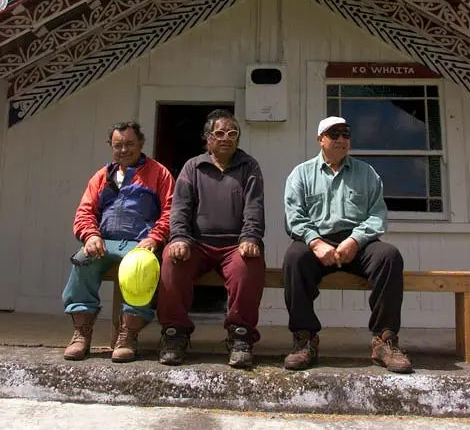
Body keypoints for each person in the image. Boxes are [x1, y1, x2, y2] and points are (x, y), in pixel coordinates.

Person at [282, 116, 412, 373]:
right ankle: (304, 338)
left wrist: (356, 239)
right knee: (294, 258)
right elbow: (294, 218)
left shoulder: (367, 173)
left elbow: (377, 216)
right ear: (321, 139)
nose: (341, 139)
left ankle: (384, 340)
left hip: (358, 242)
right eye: (334, 134)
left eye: (346, 134)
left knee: (389, 256)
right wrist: (315, 241)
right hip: (317, 242)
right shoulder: (301, 174)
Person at [157, 109, 265, 369]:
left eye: (232, 133)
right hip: (197, 244)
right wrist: (180, 237)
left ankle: (240, 336)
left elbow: (255, 207)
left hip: (235, 244)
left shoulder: (249, 166)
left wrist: (250, 236)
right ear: (207, 138)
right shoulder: (193, 167)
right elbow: (180, 208)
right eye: (219, 133)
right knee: (172, 261)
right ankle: (175, 334)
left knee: (248, 264)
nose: (226, 138)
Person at [62, 121, 175, 362]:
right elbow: (85, 211)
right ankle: (81, 333)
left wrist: (155, 237)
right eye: (118, 145)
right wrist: (90, 235)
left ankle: (128, 334)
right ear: (111, 147)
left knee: (141, 268)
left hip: (139, 244)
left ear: (141, 143)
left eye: (130, 144)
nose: (124, 150)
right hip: (104, 242)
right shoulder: (102, 176)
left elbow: (171, 210)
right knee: (82, 260)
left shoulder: (158, 173)